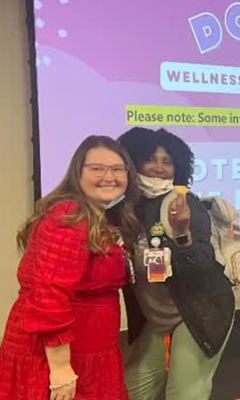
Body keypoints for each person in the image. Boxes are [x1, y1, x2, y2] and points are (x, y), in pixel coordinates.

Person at [0, 136, 140, 400]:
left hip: (90, 350)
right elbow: (49, 295)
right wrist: (61, 369)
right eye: (97, 168)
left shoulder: (99, 215)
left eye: (118, 169)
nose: (109, 176)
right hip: (59, 356)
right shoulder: (69, 215)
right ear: (78, 173)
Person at [117, 127, 235, 400]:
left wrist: (183, 235)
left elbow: (203, 270)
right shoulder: (124, 208)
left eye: (167, 161)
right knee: (130, 391)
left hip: (199, 310)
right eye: (150, 159)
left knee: (185, 393)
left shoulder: (184, 205)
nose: (159, 168)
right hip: (156, 315)